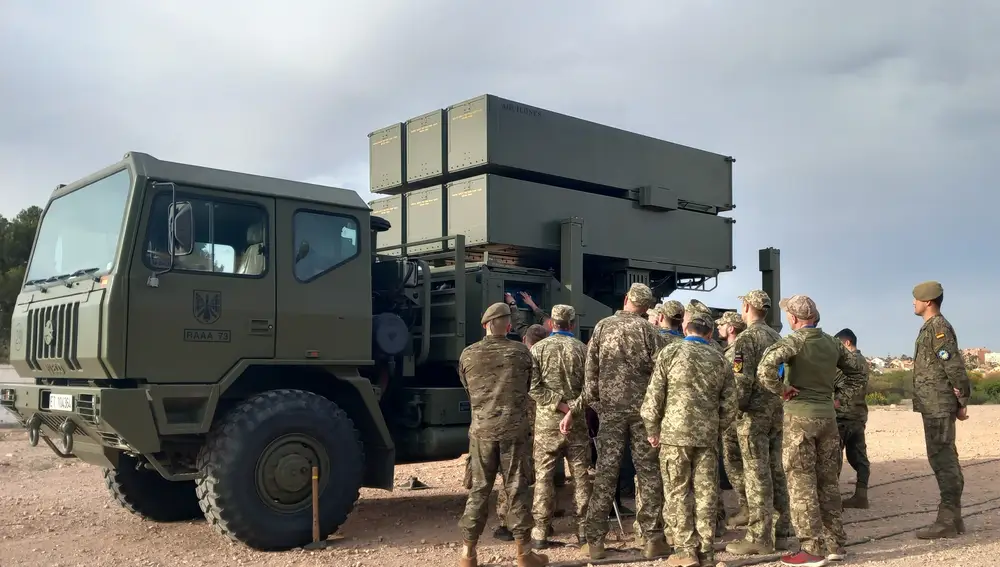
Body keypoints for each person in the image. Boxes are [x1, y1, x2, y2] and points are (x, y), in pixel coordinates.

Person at [758, 295, 867, 566]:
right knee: (828, 482)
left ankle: (811, 549)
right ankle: (835, 544)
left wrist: (782, 390)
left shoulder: (793, 341)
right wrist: (839, 396)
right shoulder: (833, 343)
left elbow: (764, 369)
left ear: (794, 318)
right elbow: (859, 373)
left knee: (801, 483)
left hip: (800, 421)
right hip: (828, 420)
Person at [568, 282, 668, 560]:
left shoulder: (602, 327)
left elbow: (590, 374)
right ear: (647, 308)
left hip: (610, 412)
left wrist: (597, 405)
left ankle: (595, 542)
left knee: (605, 474)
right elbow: (659, 373)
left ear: (626, 300)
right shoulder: (650, 331)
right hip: (641, 413)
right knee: (648, 473)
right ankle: (651, 539)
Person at [641, 305, 737, 567]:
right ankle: (706, 551)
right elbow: (730, 405)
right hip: (706, 438)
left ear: (686, 328)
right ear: (709, 333)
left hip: (674, 437)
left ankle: (685, 550)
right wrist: (715, 429)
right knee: (706, 494)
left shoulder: (670, 352)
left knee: (677, 492)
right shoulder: (720, 359)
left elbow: (653, 398)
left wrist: (652, 430)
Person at [456, 303, 549, 567]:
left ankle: (468, 554)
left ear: (485, 325)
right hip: (514, 432)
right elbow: (531, 387)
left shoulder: (468, 354)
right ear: (508, 326)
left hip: (481, 433)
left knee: (479, 491)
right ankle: (523, 553)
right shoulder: (520, 353)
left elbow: (467, 389)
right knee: (517, 490)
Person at [724, 290, 791, 558]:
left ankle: (759, 537)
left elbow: (741, 382)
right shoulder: (777, 337)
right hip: (775, 412)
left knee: (756, 474)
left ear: (747, 306)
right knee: (775, 470)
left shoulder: (746, 339)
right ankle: (783, 531)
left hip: (752, 416)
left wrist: (733, 411)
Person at [526, 305, 592, 548]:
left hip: (547, 424)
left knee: (543, 478)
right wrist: (572, 410)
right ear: (572, 324)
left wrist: (560, 406)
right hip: (577, 426)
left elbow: (533, 387)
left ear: (552, 324)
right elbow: (590, 390)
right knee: (581, 477)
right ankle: (583, 531)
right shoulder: (583, 350)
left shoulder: (538, 350)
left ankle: (541, 532)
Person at [910, 281, 971, 539]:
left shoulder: (938, 328)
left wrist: (962, 398)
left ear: (928, 302)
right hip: (933, 403)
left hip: (937, 404)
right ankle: (954, 518)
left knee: (942, 459)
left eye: (916, 299)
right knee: (945, 456)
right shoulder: (932, 327)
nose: (913, 303)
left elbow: (953, 365)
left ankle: (947, 518)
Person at [632, 298, 685, 544]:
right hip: (679, 422)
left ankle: (647, 531)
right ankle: (678, 530)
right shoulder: (686, 345)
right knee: (680, 479)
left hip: (653, 417)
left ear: (661, 317)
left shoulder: (652, 340)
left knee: (648, 473)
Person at [492, 323, 550, 541]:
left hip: (518, 422)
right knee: (541, 475)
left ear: (526, 340)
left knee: (512, 473)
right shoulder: (547, 357)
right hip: (544, 423)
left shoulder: (520, 357)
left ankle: (507, 523)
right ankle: (541, 522)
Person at [832, 328, 872, 509]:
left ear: (847, 343)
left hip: (842, 415)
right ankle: (861, 495)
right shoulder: (863, 361)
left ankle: (832, 501)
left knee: (833, 458)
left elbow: (831, 381)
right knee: (859, 456)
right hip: (858, 415)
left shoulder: (848, 362)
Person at [716, 311, 748, 533]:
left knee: (735, 463)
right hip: (736, 414)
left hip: (735, 416)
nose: (718, 327)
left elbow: (737, 384)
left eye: (722, 325)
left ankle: (747, 508)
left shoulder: (736, 352)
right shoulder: (730, 350)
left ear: (731, 329)